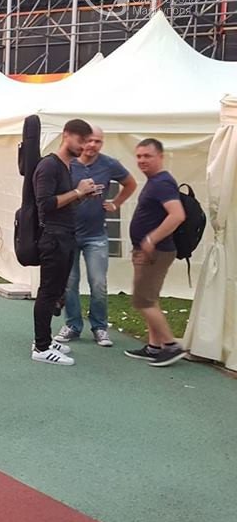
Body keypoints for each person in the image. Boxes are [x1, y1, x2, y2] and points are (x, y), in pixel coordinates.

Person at [55, 126, 137, 347]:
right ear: (81, 140)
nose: (92, 145)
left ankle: (99, 327)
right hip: (69, 233)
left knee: (98, 283)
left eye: (97, 141)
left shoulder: (109, 164)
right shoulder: (68, 163)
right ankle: (73, 325)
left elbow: (130, 183)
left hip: (96, 235)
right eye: (89, 140)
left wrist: (116, 203)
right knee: (69, 283)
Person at [31, 118, 95, 365]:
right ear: (66, 135)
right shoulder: (49, 165)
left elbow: (62, 203)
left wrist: (81, 196)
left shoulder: (65, 167)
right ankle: (41, 346)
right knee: (48, 292)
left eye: (87, 142)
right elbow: (45, 204)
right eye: (81, 140)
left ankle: (44, 339)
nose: (84, 146)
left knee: (56, 290)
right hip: (53, 237)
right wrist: (77, 192)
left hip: (65, 235)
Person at [124, 139, 187, 367]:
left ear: (160, 156)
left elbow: (177, 215)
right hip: (148, 251)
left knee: (143, 300)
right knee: (149, 298)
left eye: (147, 156)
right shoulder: (155, 181)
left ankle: (171, 345)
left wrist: (151, 239)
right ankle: (154, 346)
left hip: (156, 252)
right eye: (139, 156)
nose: (142, 160)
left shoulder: (162, 183)